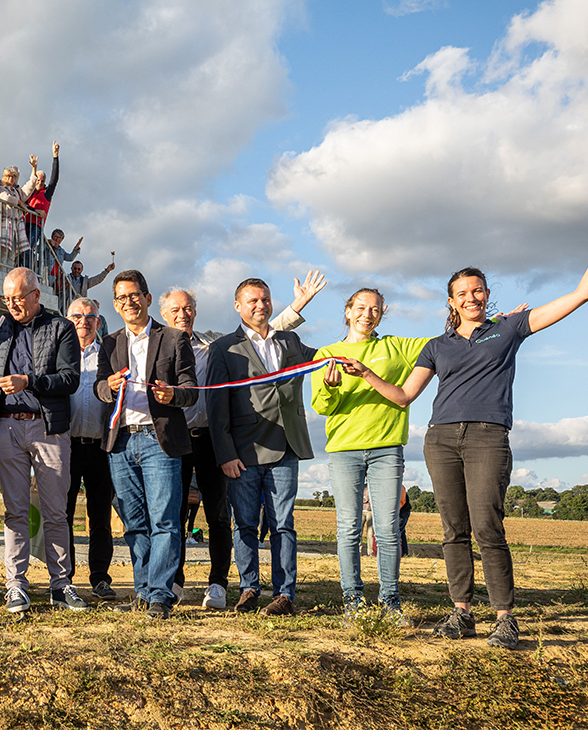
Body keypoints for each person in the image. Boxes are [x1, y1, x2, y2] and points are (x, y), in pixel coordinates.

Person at [343, 265, 588, 650]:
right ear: (451, 302)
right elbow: (405, 395)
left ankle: (505, 618)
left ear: (487, 294)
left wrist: (582, 289)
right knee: (453, 530)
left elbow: (568, 301)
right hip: (440, 440)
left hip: (487, 437)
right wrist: (368, 374)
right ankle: (462, 613)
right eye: (462, 294)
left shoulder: (507, 329)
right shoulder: (437, 346)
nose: (470, 298)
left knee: (488, 527)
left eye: (477, 291)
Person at [160, 272, 326, 609]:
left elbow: (281, 338)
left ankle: (267, 591)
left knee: (255, 521)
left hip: (255, 443)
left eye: (188, 307)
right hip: (196, 444)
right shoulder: (177, 345)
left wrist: (300, 305)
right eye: (176, 309)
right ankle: (208, 585)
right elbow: (218, 406)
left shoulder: (223, 343)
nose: (183, 314)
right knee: (196, 518)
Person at [310, 288, 428, 626]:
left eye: (375, 309)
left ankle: (390, 602)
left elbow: (447, 340)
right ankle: (353, 601)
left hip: (387, 448)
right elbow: (321, 406)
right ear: (347, 311)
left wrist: (494, 321)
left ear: (383, 312)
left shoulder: (396, 347)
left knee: (388, 529)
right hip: (345, 450)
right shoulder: (328, 353)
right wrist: (331, 387)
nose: (367, 314)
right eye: (360, 308)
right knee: (348, 528)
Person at [206, 278, 318, 617]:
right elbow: (216, 404)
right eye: (252, 300)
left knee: (283, 522)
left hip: (286, 446)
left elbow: (329, 357)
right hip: (244, 450)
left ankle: (285, 594)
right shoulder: (224, 348)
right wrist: (225, 454)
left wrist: (360, 330)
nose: (261, 305)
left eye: (266, 299)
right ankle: (249, 588)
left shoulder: (291, 340)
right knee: (244, 524)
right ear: (238, 306)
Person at [0, 267, 88, 613]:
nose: (12, 305)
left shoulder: (61, 327)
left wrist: (28, 381)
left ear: (36, 296)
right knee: (15, 512)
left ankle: (61, 585)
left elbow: (70, 379)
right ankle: (16, 585)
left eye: (17, 298)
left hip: (49, 429)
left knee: (56, 512)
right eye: (7, 299)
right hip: (7, 426)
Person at [95, 270, 197, 619]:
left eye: (134, 295)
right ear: (115, 304)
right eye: (121, 298)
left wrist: (172, 394)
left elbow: (190, 388)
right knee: (133, 522)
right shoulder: (108, 343)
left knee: (165, 521)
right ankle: (142, 589)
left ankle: (160, 595)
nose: (129, 302)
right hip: (121, 441)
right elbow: (99, 389)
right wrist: (108, 385)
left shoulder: (173, 338)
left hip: (159, 438)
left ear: (148, 298)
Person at [64, 297, 116, 600]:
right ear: (68, 320)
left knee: (100, 517)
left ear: (98, 322)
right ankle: (66, 577)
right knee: (64, 515)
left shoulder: (108, 355)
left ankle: (100, 577)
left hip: (100, 446)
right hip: (66, 446)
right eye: (78, 316)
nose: (84, 321)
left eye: (90, 316)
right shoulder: (60, 354)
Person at [22, 143, 61, 273]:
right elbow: (22, 204)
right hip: (23, 223)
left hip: (35, 226)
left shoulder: (46, 193)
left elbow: (54, 179)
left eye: (42, 181)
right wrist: (34, 210)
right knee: (20, 249)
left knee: (27, 248)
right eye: (38, 180)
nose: (39, 182)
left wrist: (55, 156)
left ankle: (27, 272)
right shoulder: (29, 192)